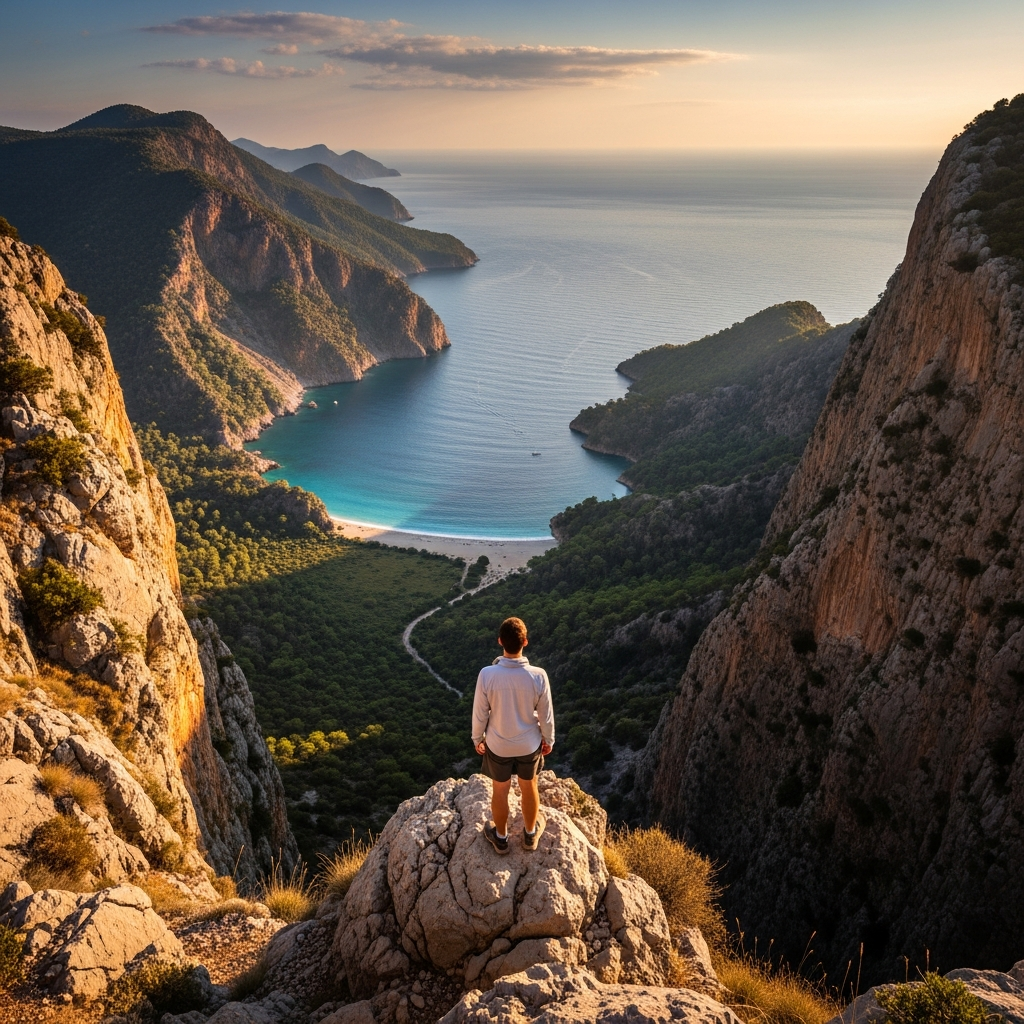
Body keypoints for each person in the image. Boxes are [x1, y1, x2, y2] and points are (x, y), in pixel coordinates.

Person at [472, 616, 554, 854]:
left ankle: (501, 838)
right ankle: (529, 836)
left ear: (500, 642)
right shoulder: (538, 675)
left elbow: (480, 713)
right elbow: (546, 715)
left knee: (500, 789)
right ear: (525, 642)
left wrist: (478, 739)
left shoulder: (487, 674)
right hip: (529, 744)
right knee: (529, 786)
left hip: (498, 745)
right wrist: (548, 740)